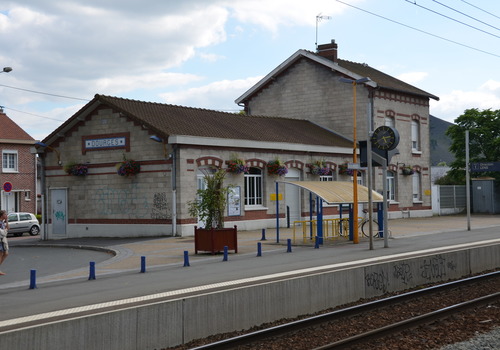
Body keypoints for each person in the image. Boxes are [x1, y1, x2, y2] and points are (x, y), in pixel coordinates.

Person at [0, 210, 9, 275]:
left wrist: (7, 221)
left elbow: (8, 228)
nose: (6, 215)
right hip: (0, 240)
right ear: (2, 215)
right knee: (1, 254)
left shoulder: (2, 222)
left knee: (6, 253)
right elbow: (3, 232)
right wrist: (5, 230)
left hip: (3, 240)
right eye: (5, 214)